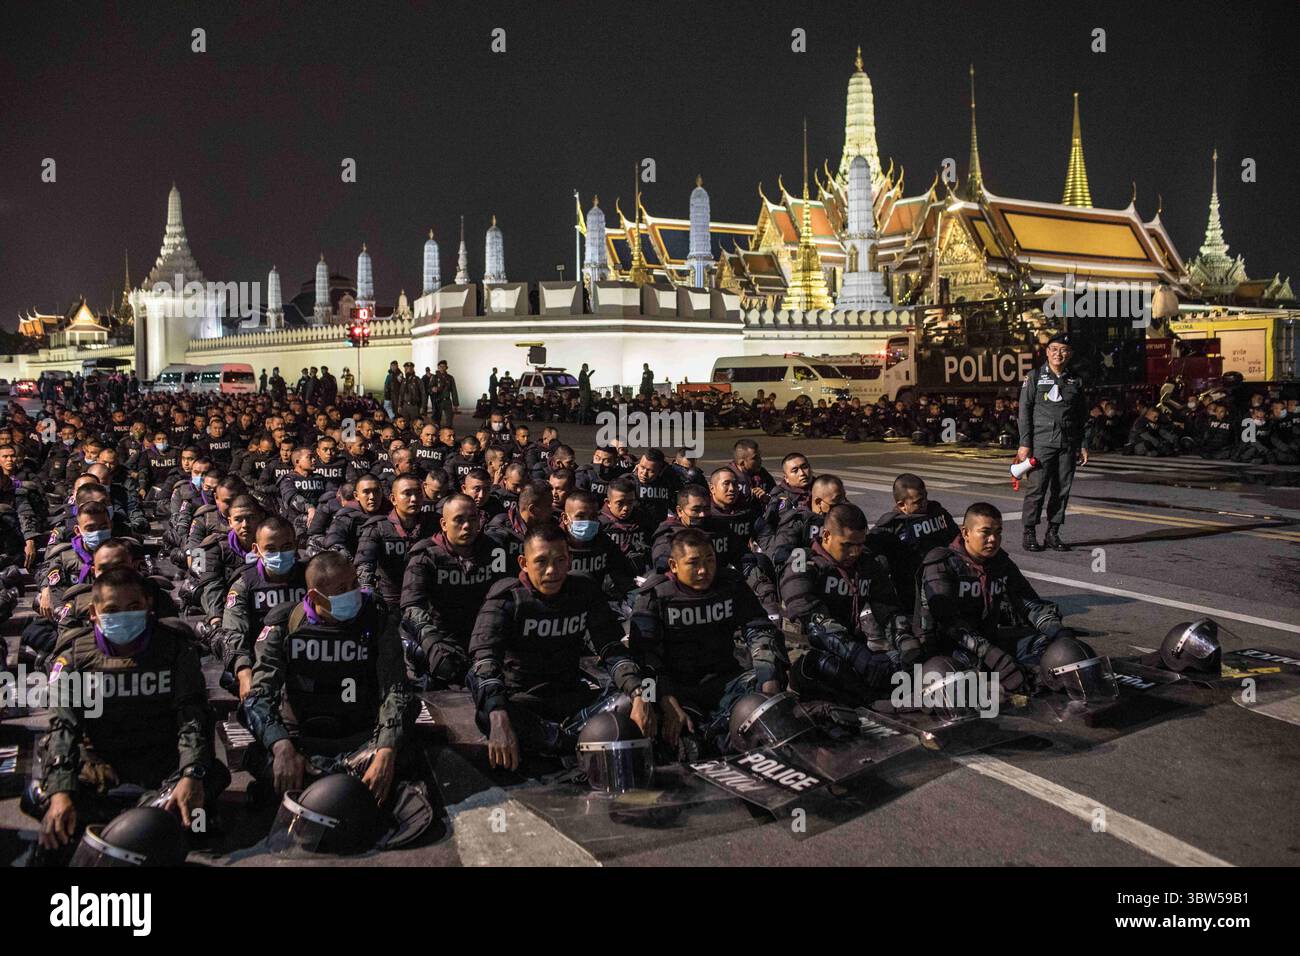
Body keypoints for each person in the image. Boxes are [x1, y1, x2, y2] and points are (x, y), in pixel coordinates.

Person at [31, 568, 228, 860]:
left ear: (148, 606)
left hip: (162, 760)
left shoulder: (175, 649)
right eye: (111, 609)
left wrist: (191, 774)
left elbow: (192, 716)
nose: (123, 615)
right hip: (101, 764)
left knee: (201, 812)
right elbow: (64, 727)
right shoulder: (74, 658)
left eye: (133, 607)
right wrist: (61, 793)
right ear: (94, 614)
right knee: (47, 806)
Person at [467, 525, 652, 767]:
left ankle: (563, 743)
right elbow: (484, 662)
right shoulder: (506, 598)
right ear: (523, 562)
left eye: (560, 560)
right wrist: (498, 713)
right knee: (488, 713)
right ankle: (576, 743)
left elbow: (610, 647)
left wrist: (640, 694)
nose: (552, 570)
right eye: (541, 562)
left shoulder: (584, 590)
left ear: (570, 560)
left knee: (636, 697)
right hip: (523, 702)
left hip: (571, 699)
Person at [243, 551, 414, 803]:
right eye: (342, 588)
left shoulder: (376, 619)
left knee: (404, 754)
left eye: (354, 583)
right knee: (266, 764)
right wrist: (281, 745)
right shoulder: (285, 626)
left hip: (361, 736)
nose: (354, 592)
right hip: (301, 739)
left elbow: (395, 689)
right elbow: (258, 696)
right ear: (315, 596)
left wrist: (386, 748)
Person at [630, 527, 787, 758]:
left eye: (710, 560)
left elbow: (760, 629)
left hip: (725, 680)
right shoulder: (654, 596)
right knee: (646, 704)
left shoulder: (731, 585)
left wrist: (769, 681)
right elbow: (643, 657)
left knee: (775, 690)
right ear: (674, 565)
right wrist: (663, 700)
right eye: (693, 563)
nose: (704, 570)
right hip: (675, 688)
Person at [917, 502, 1071, 690]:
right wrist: (993, 656)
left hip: (990, 639)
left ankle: (1020, 678)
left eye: (998, 532)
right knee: (970, 671)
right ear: (965, 533)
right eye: (986, 532)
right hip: (953, 646)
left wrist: (1060, 634)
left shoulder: (1000, 562)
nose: (993, 539)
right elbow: (948, 623)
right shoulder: (941, 564)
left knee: (1048, 646)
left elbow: (1030, 604)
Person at [400, 494, 510, 687]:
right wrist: (431, 643)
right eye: (459, 520)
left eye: (472, 519)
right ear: (443, 524)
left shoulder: (495, 551)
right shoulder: (425, 557)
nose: (467, 526)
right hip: (441, 639)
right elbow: (412, 607)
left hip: (483, 637)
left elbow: (507, 593)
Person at [1017, 332, 1088, 552]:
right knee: (1037, 489)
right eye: (1054, 349)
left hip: (1067, 444)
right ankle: (1029, 532)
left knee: (1062, 491)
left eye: (1064, 350)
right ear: (1047, 352)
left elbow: (1081, 415)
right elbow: (1024, 410)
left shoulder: (1075, 380)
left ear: (1070, 354)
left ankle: (1053, 533)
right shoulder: (1035, 376)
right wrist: (1025, 442)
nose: (1059, 354)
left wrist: (1083, 443)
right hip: (1041, 443)